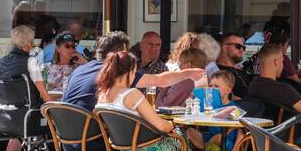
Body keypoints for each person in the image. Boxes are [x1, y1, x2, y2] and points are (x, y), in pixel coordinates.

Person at [62, 31, 203, 112]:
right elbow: (161, 80)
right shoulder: (116, 72)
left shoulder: (79, 70)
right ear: (118, 54)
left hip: (66, 145)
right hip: (98, 145)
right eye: (125, 52)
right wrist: (188, 73)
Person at [247, 43, 301, 147]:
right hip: (289, 136)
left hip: (262, 138)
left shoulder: (253, 85)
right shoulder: (283, 89)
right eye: (282, 61)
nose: (283, 65)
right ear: (277, 62)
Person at [0, 24, 51, 106]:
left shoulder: (2, 61)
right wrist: (54, 108)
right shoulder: (31, 61)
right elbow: (43, 93)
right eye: (32, 41)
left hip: (5, 111)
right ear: (29, 43)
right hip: (28, 111)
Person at [215, 30, 253, 96]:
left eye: (244, 48)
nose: (242, 50)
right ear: (225, 47)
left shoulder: (240, 71)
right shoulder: (216, 71)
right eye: (238, 46)